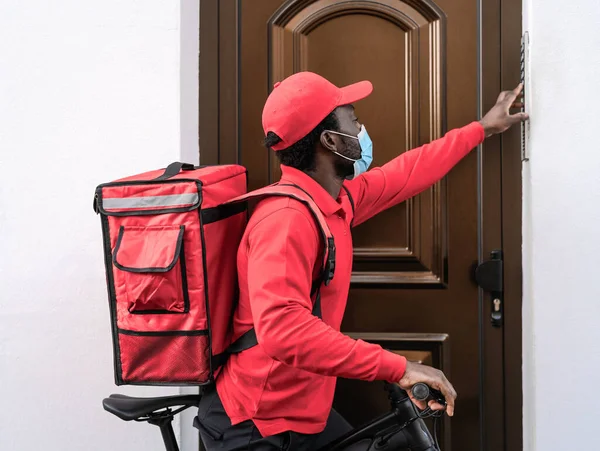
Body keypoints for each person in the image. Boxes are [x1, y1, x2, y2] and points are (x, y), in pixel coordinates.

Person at [196, 71, 528, 450]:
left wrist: (483, 128)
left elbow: (409, 172)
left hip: (304, 411)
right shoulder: (285, 221)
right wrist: (399, 368)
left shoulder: (334, 202)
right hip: (260, 424)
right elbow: (283, 330)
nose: (362, 128)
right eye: (353, 119)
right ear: (331, 140)